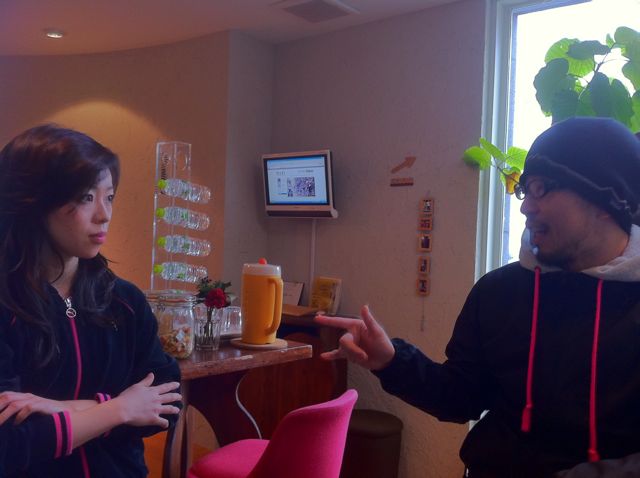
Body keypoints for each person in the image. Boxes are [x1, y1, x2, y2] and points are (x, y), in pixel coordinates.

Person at [316, 117, 640, 477]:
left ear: (607, 200)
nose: (525, 207)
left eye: (542, 188)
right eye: (526, 190)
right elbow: (462, 397)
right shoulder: (499, 291)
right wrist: (391, 361)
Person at [0, 125, 182, 477]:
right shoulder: (7, 306)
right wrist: (120, 410)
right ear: (34, 203)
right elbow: (9, 445)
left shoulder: (124, 301)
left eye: (109, 196)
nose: (104, 214)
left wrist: (64, 409)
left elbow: (167, 403)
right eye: (86, 197)